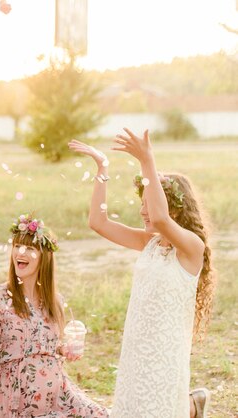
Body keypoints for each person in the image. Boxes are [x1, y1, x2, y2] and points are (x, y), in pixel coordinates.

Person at [69, 128, 216, 418]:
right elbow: (98, 222)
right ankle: (191, 406)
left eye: (149, 202)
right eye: (141, 202)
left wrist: (147, 160)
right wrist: (103, 168)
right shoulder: (148, 243)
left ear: (175, 208)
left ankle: (189, 406)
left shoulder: (191, 248)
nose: (143, 210)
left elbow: (160, 219)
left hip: (165, 354)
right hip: (136, 347)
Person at [0, 214, 108, 418]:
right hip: (16, 398)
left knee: (100, 415)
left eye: (30, 248)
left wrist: (65, 349)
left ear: (44, 257)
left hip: (57, 392)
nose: (20, 252)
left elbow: (47, 345)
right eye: (17, 246)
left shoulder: (55, 301)